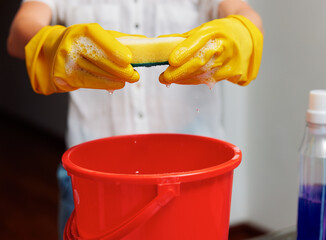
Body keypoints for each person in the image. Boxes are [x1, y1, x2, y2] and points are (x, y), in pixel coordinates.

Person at [7, 0, 263, 238]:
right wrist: (52, 41)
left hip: (194, 182)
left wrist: (240, 30)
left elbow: (242, 11)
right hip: (90, 184)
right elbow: (19, 33)